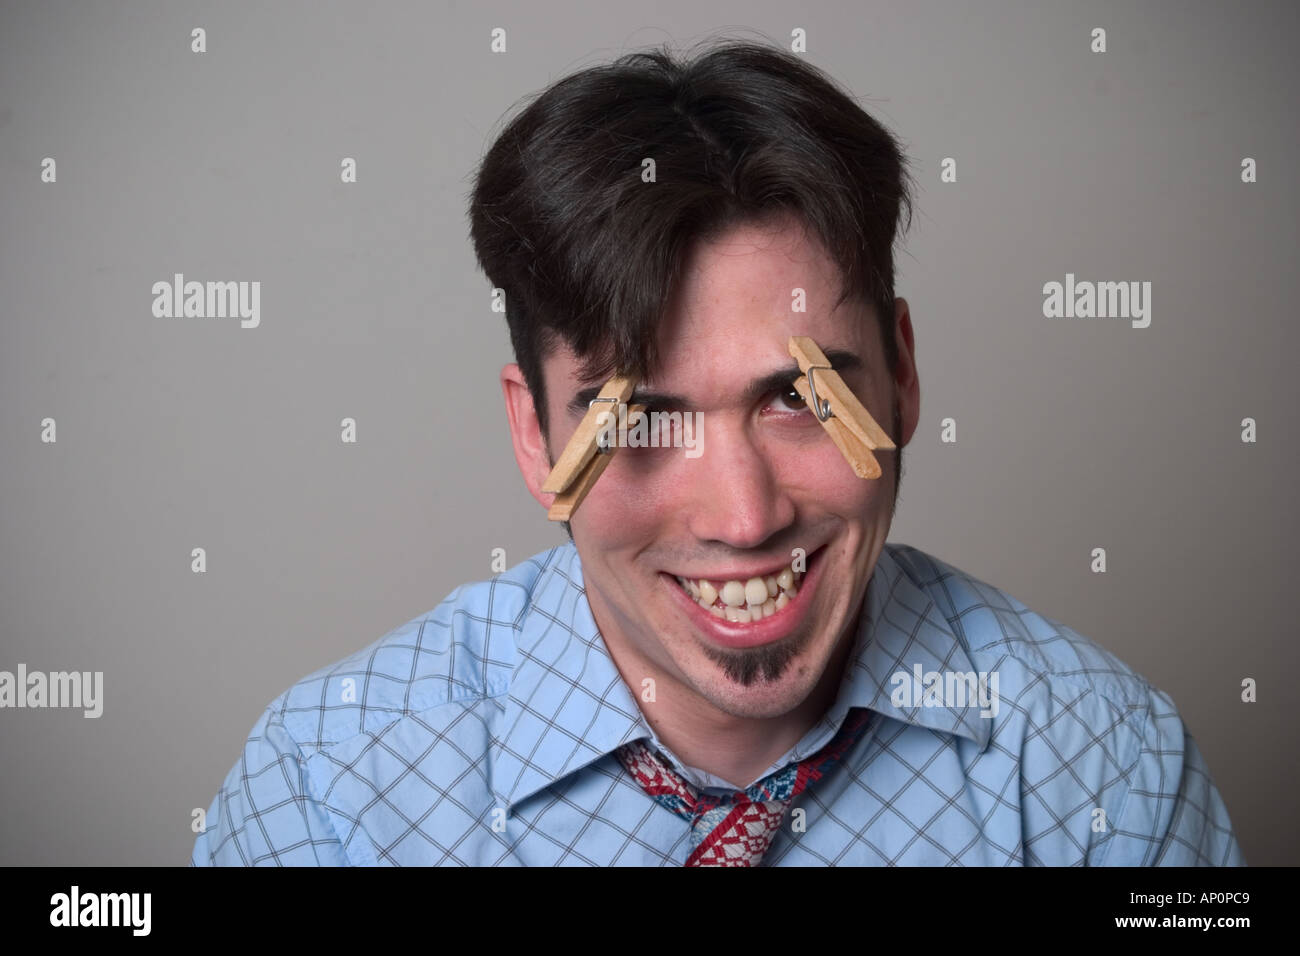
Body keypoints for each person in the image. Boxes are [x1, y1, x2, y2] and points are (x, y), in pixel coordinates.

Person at [192, 39, 1243, 866]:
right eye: (641, 418)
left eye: (798, 398)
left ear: (902, 375)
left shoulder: (1104, 763)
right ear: (533, 432)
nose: (743, 517)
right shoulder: (328, 788)